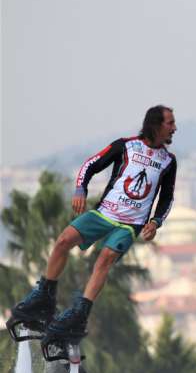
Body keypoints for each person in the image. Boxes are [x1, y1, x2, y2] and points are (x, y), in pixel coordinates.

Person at [8, 105, 177, 343]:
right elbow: (91, 164)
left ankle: (79, 314)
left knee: (105, 258)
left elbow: (167, 197)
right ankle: (44, 297)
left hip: (130, 224)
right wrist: (81, 189)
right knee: (63, 240)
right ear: (155, 125)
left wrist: (156, 221)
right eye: (170, 123)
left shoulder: (168, 161)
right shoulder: (126, 145)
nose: (174, 128)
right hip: (104, 213)